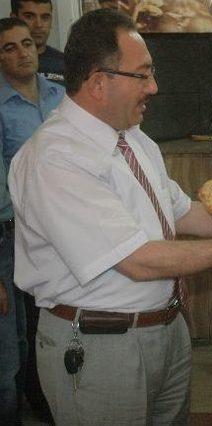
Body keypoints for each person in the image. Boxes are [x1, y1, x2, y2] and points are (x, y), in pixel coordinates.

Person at [8, 9, 212, 425]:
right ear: (97, 81)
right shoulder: (55, 159)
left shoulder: (135, 140)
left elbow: (184, 214)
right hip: (100, 347)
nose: (154, 87)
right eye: (142, 75)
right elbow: (138, 260)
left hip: (166, 331)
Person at [0, 17, 63, 424]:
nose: (24, 52)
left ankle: (47, 406)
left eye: (27, 43)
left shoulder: (60, 95)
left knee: (48, 327)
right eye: (10, 47)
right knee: (12, 343)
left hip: (60, 230)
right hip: (11, 233)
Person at [11, 0, 65, 84]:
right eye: (29, 17)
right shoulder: (5, 64)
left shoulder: (65, 63)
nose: (39, 25)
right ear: (14, 18)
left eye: (45, 17)